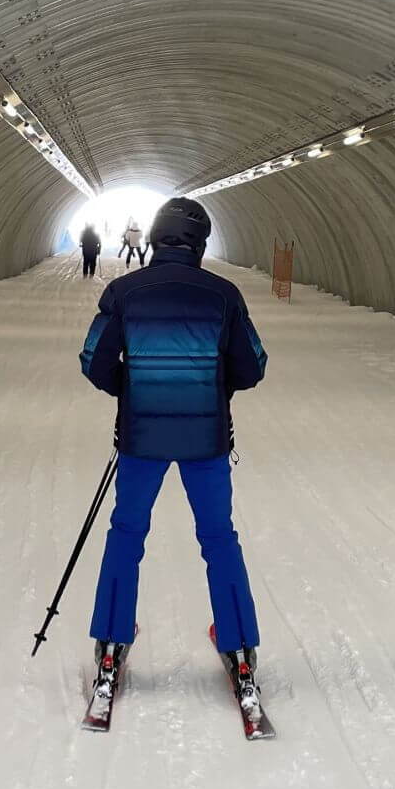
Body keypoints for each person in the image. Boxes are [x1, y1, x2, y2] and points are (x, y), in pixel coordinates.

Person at [79, 197, 267, 696]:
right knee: (219, 539)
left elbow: (94, 360)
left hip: (142, 440)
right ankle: (240, 646)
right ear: (201, 244)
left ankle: (112, 643)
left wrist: (133, 387)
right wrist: (212, 384)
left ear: (156, 238)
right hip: (206, 441)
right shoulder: (224, 296)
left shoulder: (124, 291)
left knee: (126, 534)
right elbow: (252, 367)